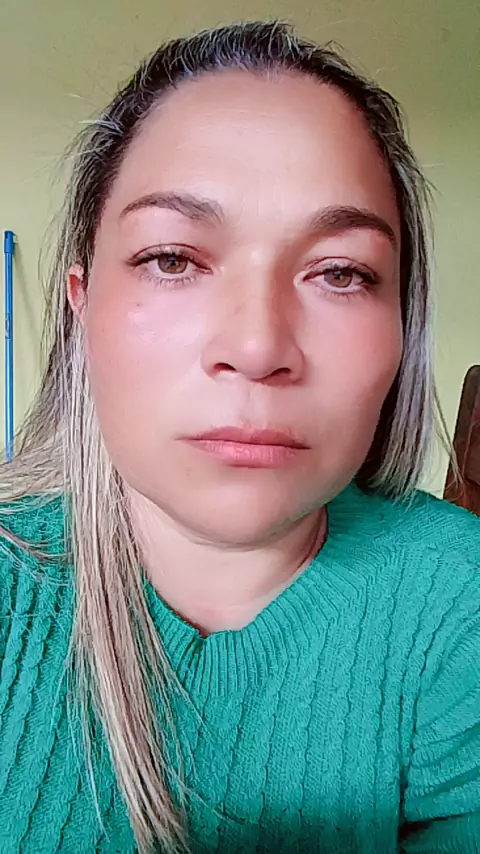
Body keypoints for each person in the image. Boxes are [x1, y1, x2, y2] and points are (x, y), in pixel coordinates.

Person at [0, 19, 478, 854]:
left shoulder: (459, 600)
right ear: (81, 306)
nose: (257, 347)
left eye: (341, 272)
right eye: (173, 259)